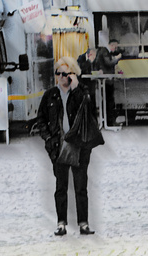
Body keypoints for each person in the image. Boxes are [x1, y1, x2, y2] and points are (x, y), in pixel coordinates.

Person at [34, 61, 103, 236]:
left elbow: (90, 114)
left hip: (79, 145)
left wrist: (77, 89)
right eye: (59, 73)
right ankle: (61, 224)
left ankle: (83, 223)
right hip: (58, 146)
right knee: (61, 187)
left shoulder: (82, 93)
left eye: (66, 73)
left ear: (74, 74)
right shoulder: (50, 95)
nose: (62, 77)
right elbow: (40, 119)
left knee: (81, 187)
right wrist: (48, 138)